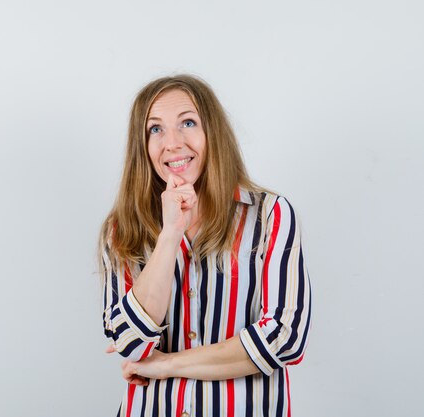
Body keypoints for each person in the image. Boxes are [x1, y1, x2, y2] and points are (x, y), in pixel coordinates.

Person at [99, 74, 311, 417]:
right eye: (155, 129)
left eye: (188, 122)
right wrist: (169, 234)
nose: (173, 142)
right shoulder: (123, 229)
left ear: (213, 132)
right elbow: (130, 343)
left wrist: (167, 364)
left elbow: (284, 338)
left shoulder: (270, 216)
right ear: (142, 145)